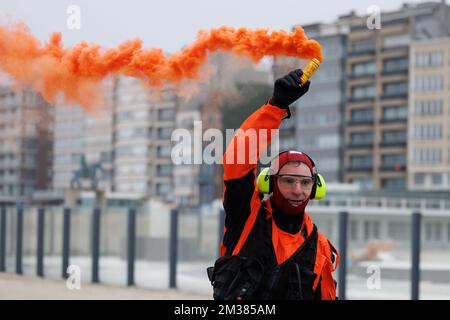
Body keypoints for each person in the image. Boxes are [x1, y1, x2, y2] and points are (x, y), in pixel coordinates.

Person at [207, 69, 340, 300]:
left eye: (305, 183)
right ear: (269, 183)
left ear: (316, 188)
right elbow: (237, 158)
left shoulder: (320, 250)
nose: (297, 190)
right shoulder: (246, 219)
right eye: (288, 181)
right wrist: (276, 106)